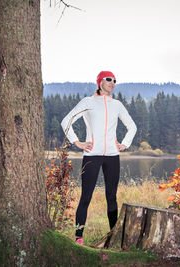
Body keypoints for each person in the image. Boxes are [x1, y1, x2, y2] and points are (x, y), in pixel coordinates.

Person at [61, 71, 137, 245]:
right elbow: (66, 121)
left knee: (111, 197)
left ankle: (114, 237)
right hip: (91, 154)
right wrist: (76, 142)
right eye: (109, 79)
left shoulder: (116, 105)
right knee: (86, 197)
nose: (112, 82)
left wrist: (124, 143)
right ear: (100, 82)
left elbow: (132, 126)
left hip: (112, 155)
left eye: (115, 80)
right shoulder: (88, 102)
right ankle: (79, 238)